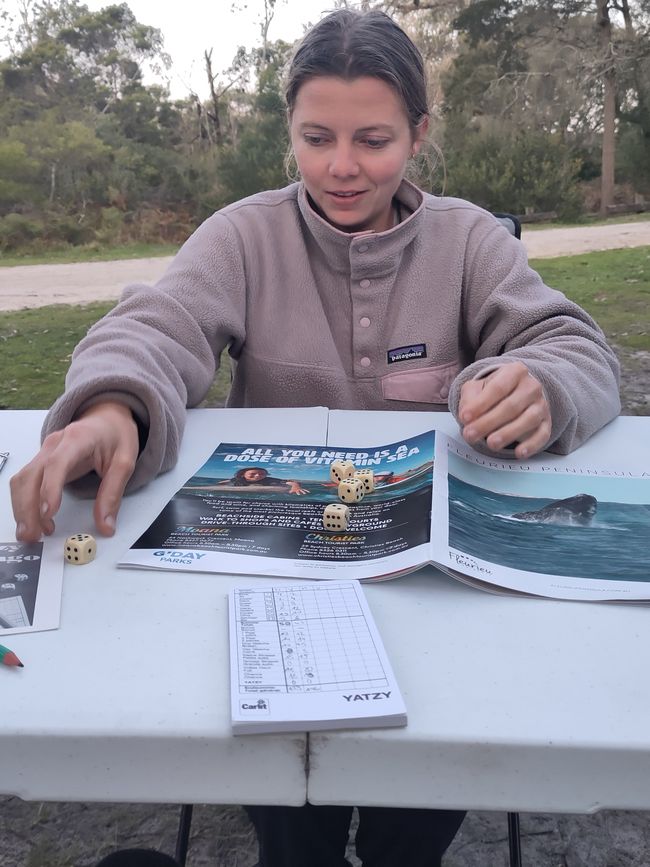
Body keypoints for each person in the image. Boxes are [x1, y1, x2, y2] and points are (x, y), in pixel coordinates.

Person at [11, 8, 620, 867]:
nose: (341, 167)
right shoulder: (244, 235)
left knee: (425, 797)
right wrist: (115, 407)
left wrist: (543, 386)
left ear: (418, 134)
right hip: (272, 580)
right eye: (315, 137)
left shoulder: (470, 239)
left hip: (441, 596)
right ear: (288, 131)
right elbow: (156, 325)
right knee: (294, 827)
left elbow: (577, 346)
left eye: (373, 139)